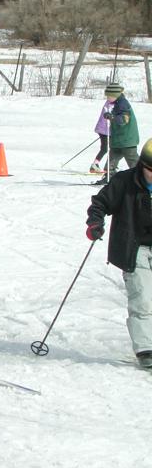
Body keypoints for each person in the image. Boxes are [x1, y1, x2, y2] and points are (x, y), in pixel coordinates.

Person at [86, 138, 152, 369]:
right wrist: (95, 223)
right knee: (142, 299)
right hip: (134, 249)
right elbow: (99, 204)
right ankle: (146, 349)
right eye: (150, 170)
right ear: (142, 165)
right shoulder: (125, 181)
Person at [94, 83, 139, 185]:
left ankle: (142, 179)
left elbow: (124, 119)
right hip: (118, 139)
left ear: (115, 95)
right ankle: (109, 177)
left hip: (127, 140)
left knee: (133, 161)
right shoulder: (117, 103)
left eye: (109, 96)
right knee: (112, 158)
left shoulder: (123, 104)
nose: (108, 98)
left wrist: (112, 117)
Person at [89, 90, 116, 174]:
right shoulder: (109, 104)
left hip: (105, 130)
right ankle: (96, 165)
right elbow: (108, 117)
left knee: (107, 148)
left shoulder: (111, 103)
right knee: (105, 148)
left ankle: (99, 165)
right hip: (105, 130)